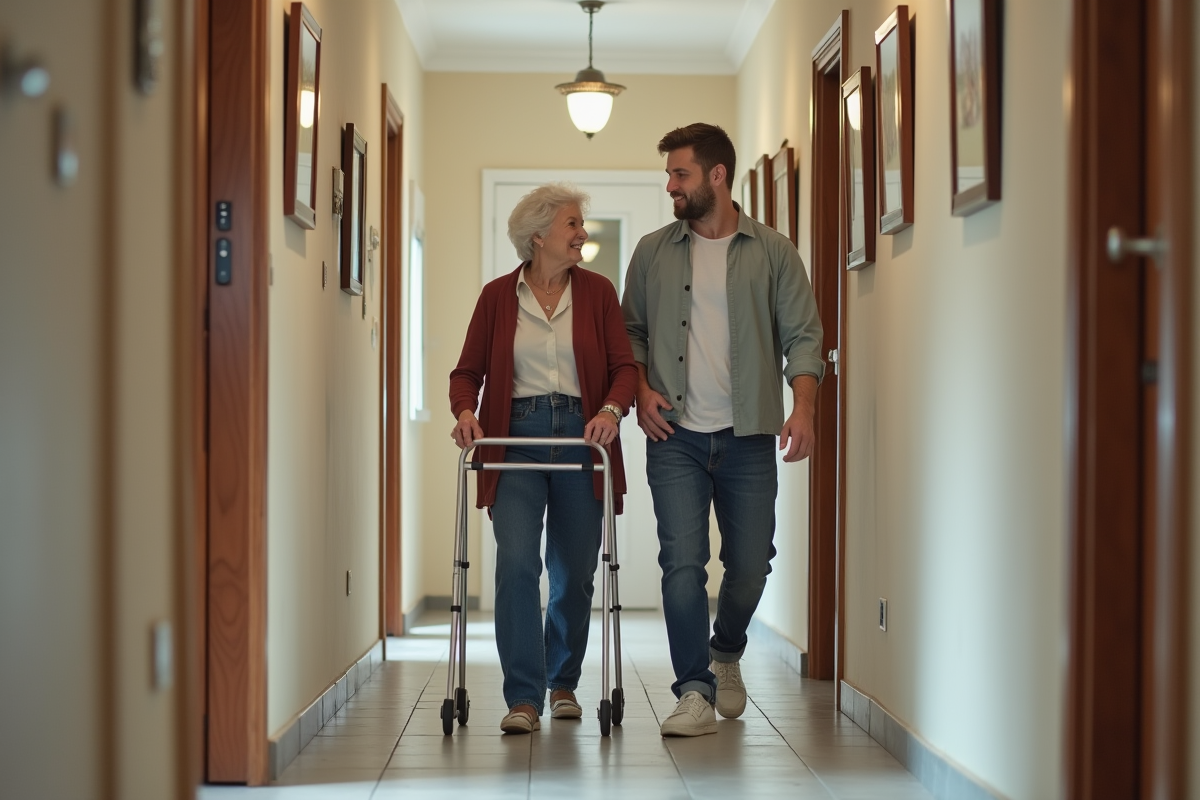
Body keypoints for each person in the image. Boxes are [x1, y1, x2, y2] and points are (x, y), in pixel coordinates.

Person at [622, 123, 825, 737]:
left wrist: (805, 407)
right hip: (675, 435)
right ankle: (693, 690)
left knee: (751, 565)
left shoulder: (773, 252)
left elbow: (804, 337)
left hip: (749, 435)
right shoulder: (653, 251)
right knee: (682, 564)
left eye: (679, 174)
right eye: (669, 175)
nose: (669, 186)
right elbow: (630, 332)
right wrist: (639, 388)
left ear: (716, 175)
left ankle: (726, 650)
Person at [449, 183, 638, 735]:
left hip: (585, 435)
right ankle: (524, 697)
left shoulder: (599, 292)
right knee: (516, 566)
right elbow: (468, 372)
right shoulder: (496, 297)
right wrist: (466, 412)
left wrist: (610, 409)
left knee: (575, 571)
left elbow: (625, 368)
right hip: (517, 436)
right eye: (572, 225)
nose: (582, 234)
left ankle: (563, 684)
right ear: (538, 237)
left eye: (581, 225)